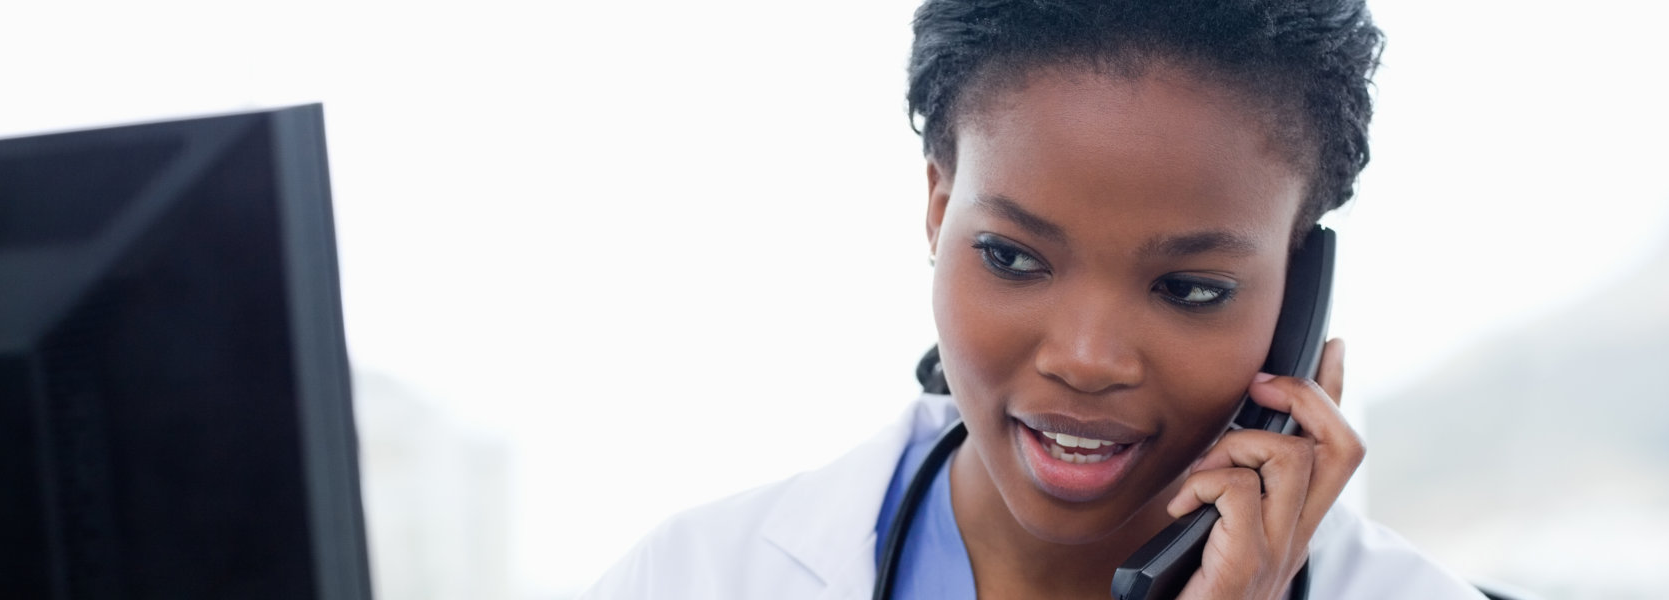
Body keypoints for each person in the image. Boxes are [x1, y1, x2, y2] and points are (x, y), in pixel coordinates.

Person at [584, 0, 1484, 598]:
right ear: (938, 210)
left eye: (1191, 288)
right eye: (1012, 258)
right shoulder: (698, 575)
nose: (1087, 359)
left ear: (1300, 300)